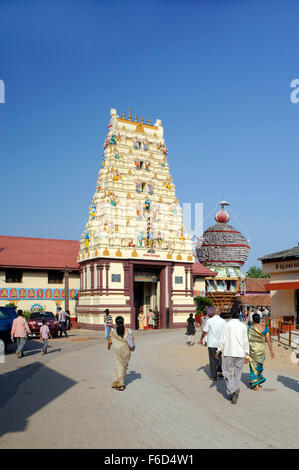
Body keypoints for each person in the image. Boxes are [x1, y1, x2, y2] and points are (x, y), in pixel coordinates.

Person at [216, 310, 250, 404]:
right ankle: (234, 390)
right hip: (240, 353)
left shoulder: (227, 325)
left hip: (229, 352)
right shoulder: (243, 326)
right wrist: (247, 354)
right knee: (238, 374)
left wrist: (218, 350)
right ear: (239, 315)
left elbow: (222, 339)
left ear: (231, 315)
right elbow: (245, 341)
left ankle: (233, 390)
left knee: (227, 372)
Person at [248, 313, 274, 391]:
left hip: (253, 350)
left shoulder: (251, 328)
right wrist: (271, 351)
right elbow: (268, 340)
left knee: (253, 367)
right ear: (259, 319)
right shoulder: (265, 328)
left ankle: (256, 385)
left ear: (253, 320)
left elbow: (248, 339)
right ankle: (258, 382)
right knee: (259, 366)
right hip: (261, 350)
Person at [108, 316, 134, 391]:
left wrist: (108, 347)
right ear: (123, 322)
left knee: (119, 367)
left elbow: (110, 341)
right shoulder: (128, 330)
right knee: (123, 367)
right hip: (127, 352)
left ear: (116, 323)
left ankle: (121, 384)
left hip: (117, 352)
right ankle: (116, 382)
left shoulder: (113, 332)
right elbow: (132, 340)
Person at [200, 307, 225, 380]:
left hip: (211, 343)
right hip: (220, 343)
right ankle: (220, 372)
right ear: (220, 313)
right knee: (219, 357)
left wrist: (201, 339)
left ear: (214, 312)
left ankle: (214, 376)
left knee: (212, 359)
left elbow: (205, 331)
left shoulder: (210, 321)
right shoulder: (223, 321)